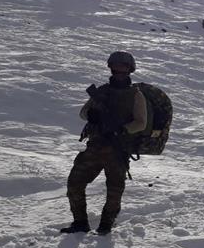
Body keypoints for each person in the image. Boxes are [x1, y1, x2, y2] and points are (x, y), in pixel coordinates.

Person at [61, 51, 147, 235]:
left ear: (130, 69)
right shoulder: (101, 91)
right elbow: (83, 113)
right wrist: (92, 115)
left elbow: (141, 122)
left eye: (123, 67)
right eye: (116, 67)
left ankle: (106, 226)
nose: (119, 71)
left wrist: (122, 129)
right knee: (74, 182)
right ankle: (80, 223)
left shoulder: (135, 95)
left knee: (114, 191)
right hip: (96, 147)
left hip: (118, 149)